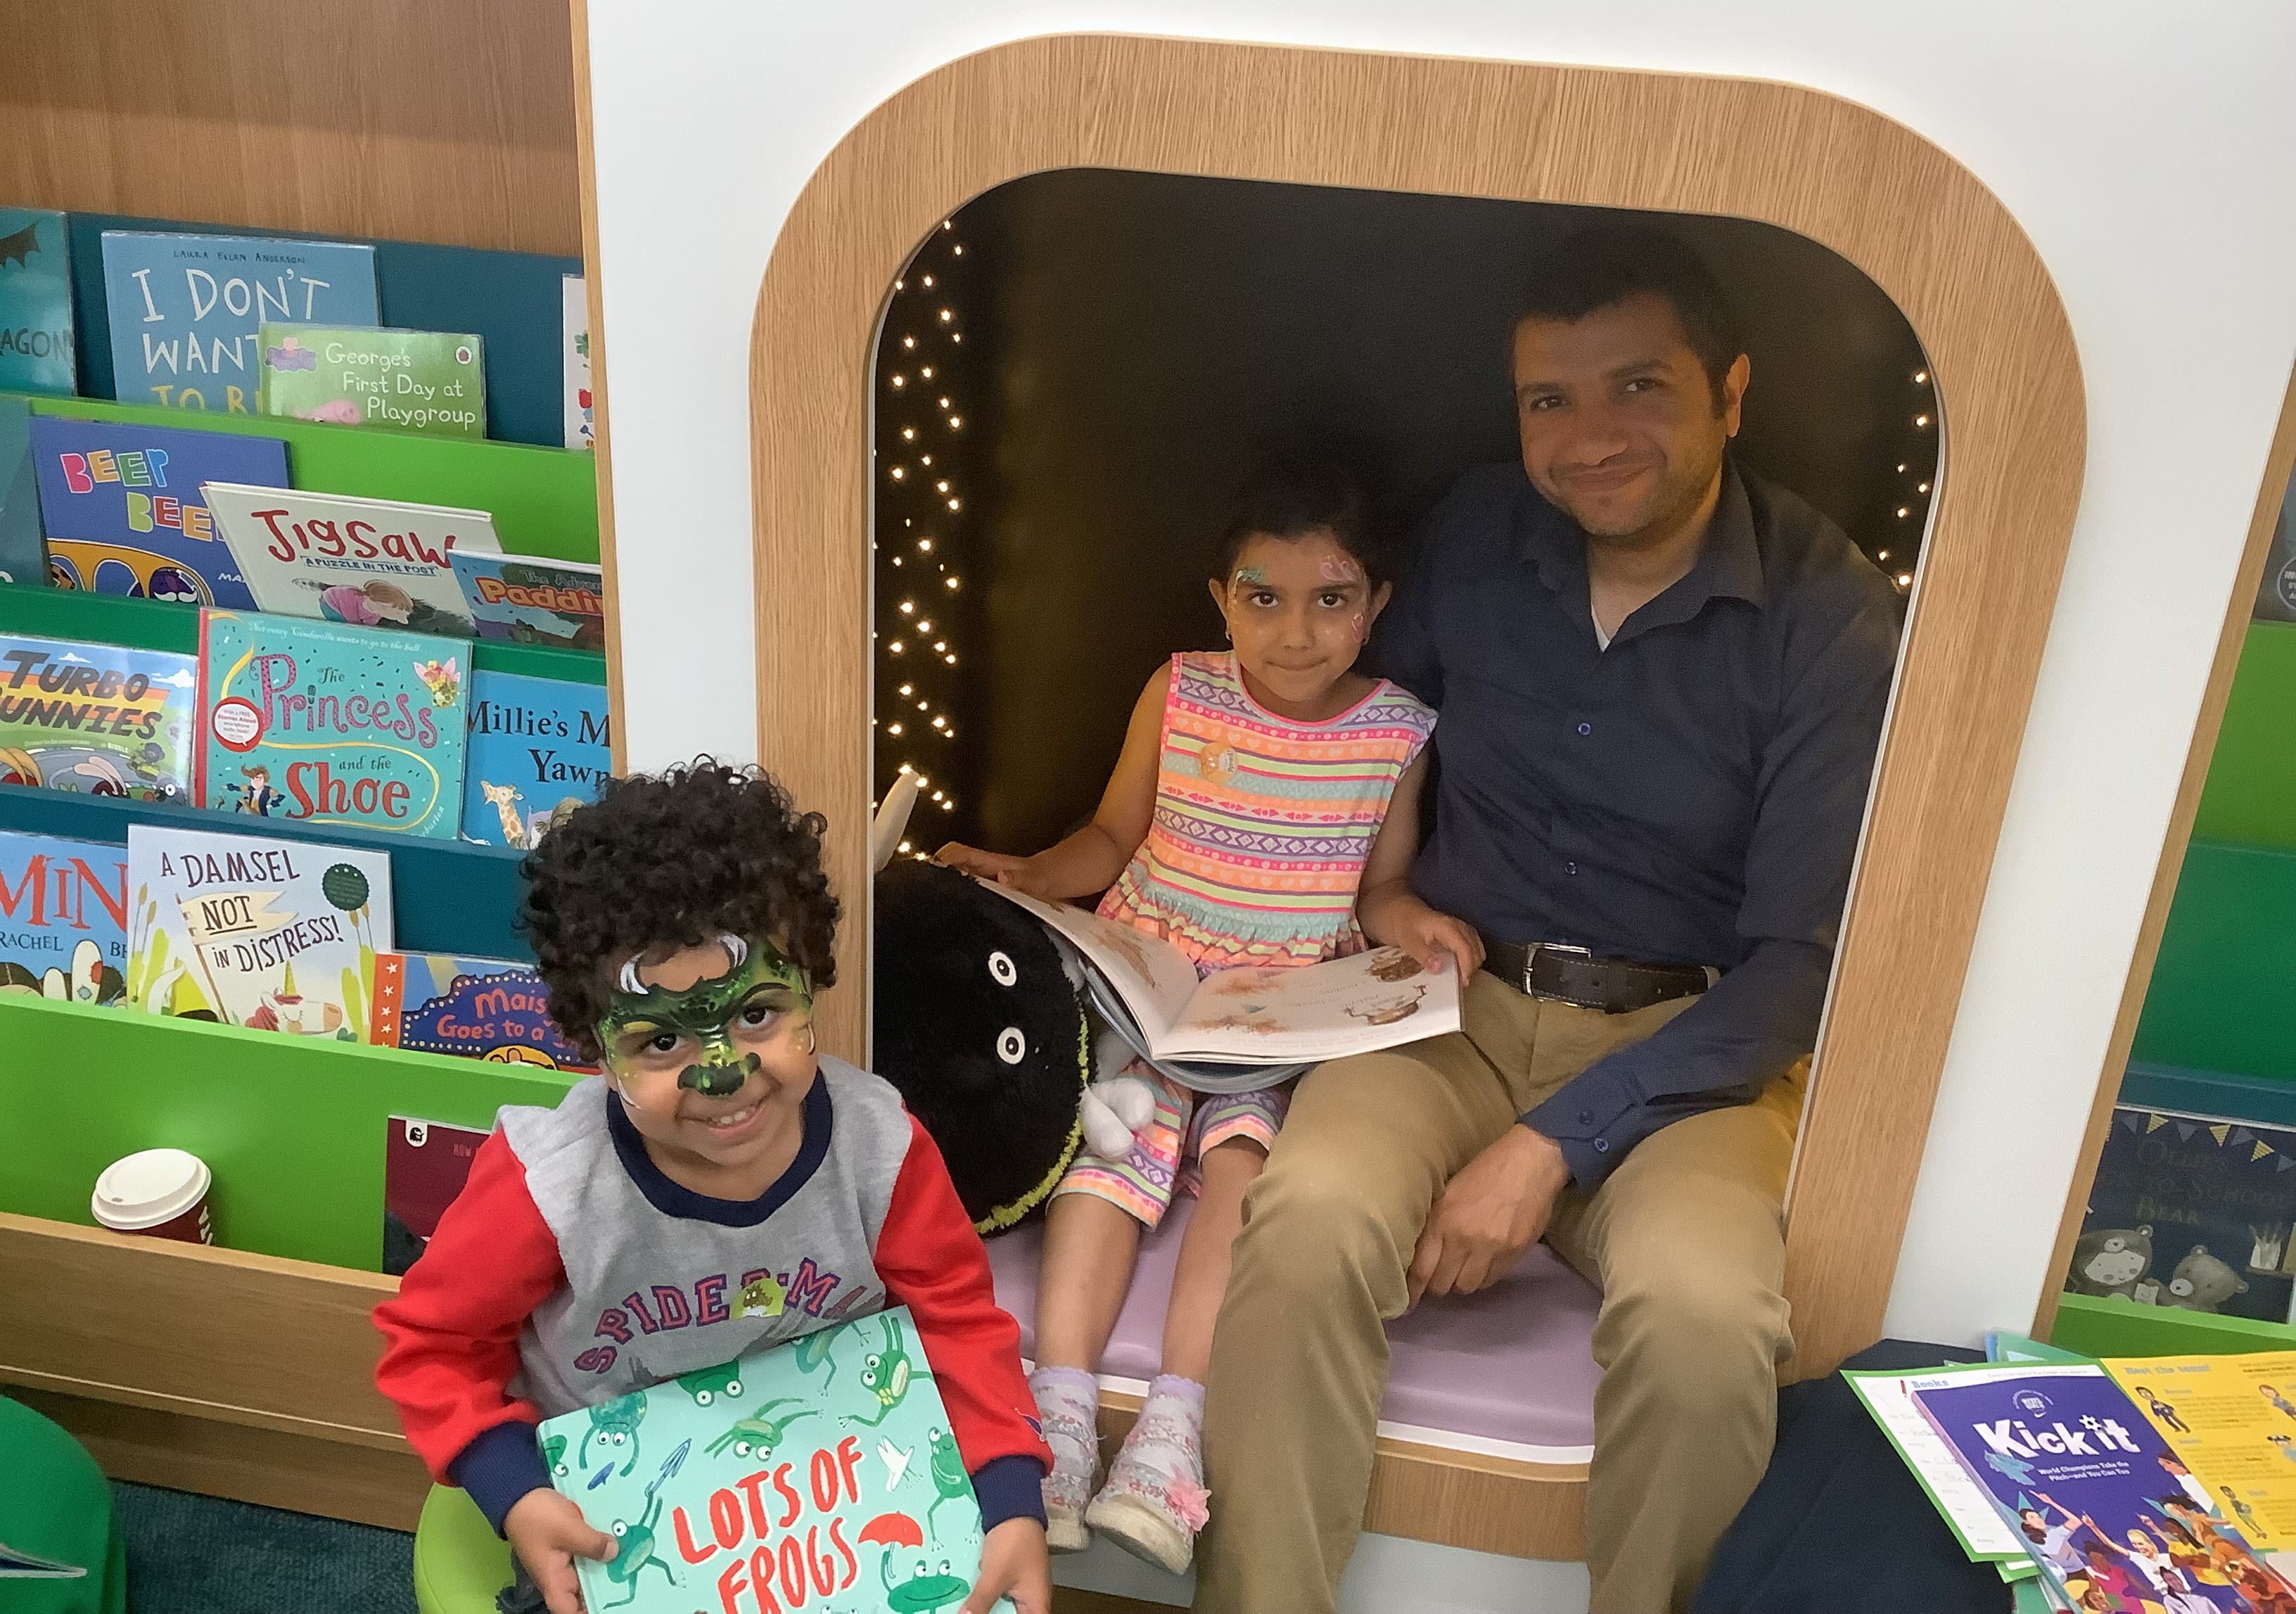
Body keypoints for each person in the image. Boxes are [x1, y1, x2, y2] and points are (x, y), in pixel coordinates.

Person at [1194, 224, 1903, 1614]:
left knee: (1708, 1328)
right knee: (1307, 1222)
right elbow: (1351, 725)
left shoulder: (1830, 620)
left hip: (1692, 1052)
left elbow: (1797, 971)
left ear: (1731, 392)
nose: (1588, 437)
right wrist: (1364, 888)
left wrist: (1547, 1149)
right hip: (1445, 1009)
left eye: (1637, 387)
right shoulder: (1470, 537)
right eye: (1548, 401)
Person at [372, 761, 1052, 1614]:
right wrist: (515, 1492)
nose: (724, 1075)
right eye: (661, 1043)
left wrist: (1010, 1496)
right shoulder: (551, 1182)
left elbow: (958, 1324)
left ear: (812, 976)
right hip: (621, 1514)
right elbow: (434, 1347)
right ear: (593, 1042)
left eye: (757, 1013)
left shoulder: (880, 1147)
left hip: (833, 1490)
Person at [938, 469, 1454, 1572]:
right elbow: (1115, 835)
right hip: (1144, 976)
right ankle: (1062, 1414)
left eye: (1332, 599)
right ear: (1221, 599)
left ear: (1377, 604)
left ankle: (1173, 1430)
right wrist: (1030, 872)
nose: (1297, 632)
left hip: (1276, 1009)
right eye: (1263, 599)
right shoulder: (1182, 690)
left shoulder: (1398, 734)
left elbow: (1378, 891)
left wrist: (1418, 928)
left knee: (1244, 1173)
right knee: (1108, 1157)